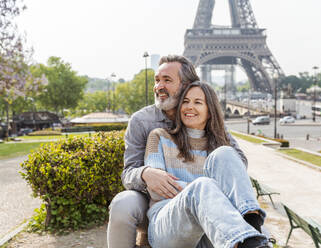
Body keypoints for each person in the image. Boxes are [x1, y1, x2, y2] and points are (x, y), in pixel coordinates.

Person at [107, 55, 248, 248]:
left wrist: (207, 191)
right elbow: (128, 173)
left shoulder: (210, 122)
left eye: (167, 80)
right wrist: (145, 173)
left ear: (187, 85)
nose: (159, 86)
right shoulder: (143, 123)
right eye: (157, 80)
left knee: (209, 184)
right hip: (153, 199)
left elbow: (236, 164)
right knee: (123, 204)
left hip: (205, 198)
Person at [144, 81, 269, 248]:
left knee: (225, 153)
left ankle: (252, 230)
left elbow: (238, 181)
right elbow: (157, 189)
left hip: (214, 227)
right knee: (203, 185)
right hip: (168, 226)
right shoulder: (159, 137)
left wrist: (211, 199)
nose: (189, 107)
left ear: (210, 111)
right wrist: (210, 195)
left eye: (197, 102)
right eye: (185, 102)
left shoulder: (220, 145)